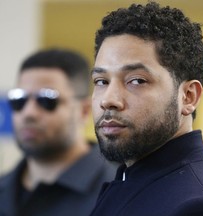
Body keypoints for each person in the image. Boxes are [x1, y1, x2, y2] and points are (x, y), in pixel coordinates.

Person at [89, 2, 203, 216]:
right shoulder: (131, 178)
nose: (108, 100)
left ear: (188, 96)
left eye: (137, 80)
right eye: (101, 81)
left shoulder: (200, 207)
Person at [0, 48, 117, 216]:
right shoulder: (4, 188)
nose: (28, 113)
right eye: (20, 100)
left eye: (46, 100)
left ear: (84, 110)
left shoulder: (117, 191)